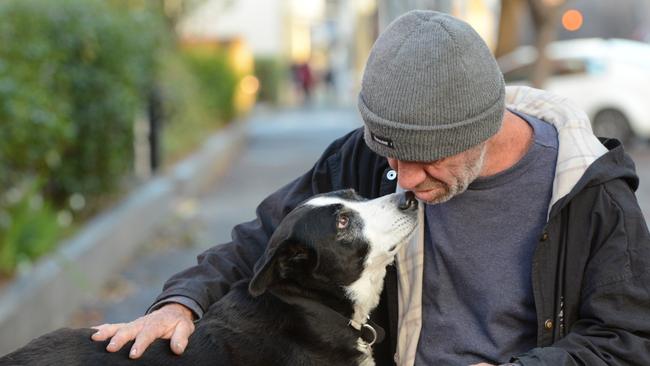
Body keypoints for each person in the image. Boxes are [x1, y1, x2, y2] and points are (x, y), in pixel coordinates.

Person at [91, 10, 650, 366]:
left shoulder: (591, 194)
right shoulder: (358, 159)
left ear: (483, 128)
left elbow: (626, 341)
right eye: (390, 155)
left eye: (425, 159)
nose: (402, 181)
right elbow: (261, 244)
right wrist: (181, 303)